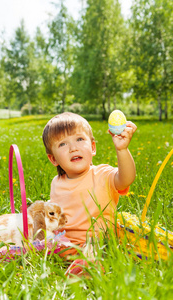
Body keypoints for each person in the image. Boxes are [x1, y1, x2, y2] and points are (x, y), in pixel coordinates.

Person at [42, 112, 137, 275]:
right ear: (53, 159)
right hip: (65, 244)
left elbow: (126, 179)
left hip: (99, 243)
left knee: (92, 249)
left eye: (79, 139)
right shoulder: (56, 183)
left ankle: (85, 269)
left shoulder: (102, 175)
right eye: (63, 144)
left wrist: (122, 149)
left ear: (92, 147)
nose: (73, 148)